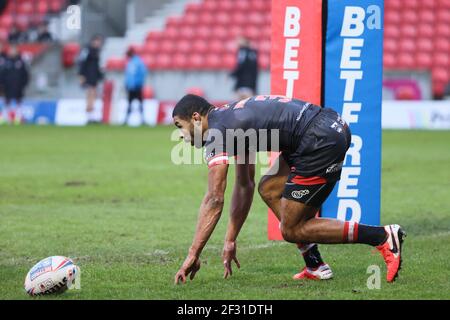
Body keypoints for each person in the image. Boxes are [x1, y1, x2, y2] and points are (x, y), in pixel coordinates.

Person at [172, 94, 406, 285]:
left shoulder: (217, 133)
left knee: (293, 230)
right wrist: (230, 240)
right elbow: (245, 185)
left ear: (195, 117)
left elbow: (214, 199)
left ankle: (382, 236)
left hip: (318, 139)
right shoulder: (230, 119)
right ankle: (315, 265)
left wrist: (193, 253)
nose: (182, 136)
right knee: (270, 188)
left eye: (179, 126)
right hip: (326, 126)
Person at [78, 35, 104, 122]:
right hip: (88, 76)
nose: (99, 43)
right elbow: (82, 62)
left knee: (93, 95)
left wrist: (100, 76)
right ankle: (89, 116)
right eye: (97, 41)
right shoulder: (87, 50)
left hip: (94, 77)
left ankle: (91, 116)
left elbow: (96, 66)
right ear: (93, 41)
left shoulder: (96, 51)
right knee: (91, 94)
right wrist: (81, 75)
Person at [2, 46, 29, 124]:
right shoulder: (6, 62)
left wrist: (24, 84)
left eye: (14, 51)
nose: (12, 52)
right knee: (7, 101)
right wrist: (2, 84)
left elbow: (25, 74)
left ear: (17, 52)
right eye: (11, 51)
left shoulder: (21, 62)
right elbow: (2, 74)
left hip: (18, 86)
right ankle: (7, 118)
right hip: (7, 86)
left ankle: (18, 118)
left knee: (19, 101)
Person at [123, 48, 147, 125]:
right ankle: (127, 119)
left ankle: (142, 119)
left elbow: (142, 73)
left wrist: (138, 83)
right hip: (131, 87)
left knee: (139, 103)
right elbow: (128, 75)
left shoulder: (137, 62)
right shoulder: (131, 62)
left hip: (136, 86)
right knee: (130, 103)